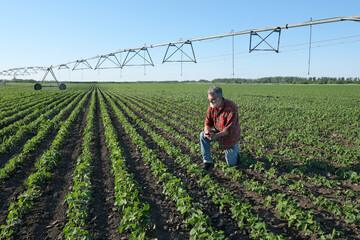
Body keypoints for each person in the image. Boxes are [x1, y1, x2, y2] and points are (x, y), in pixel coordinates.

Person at [200, 86, 241, 170]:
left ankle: (235, 151)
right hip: (219, 132)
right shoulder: (211, 107)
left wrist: (215, 136)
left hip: (230, 137)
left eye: (213, 100)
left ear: (220, 98)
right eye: (209, 100)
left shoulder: (231, 107)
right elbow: (207, 123)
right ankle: (207, 161)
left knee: (231, 164)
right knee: (202, 135)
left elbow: (228, 129)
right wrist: (207, 132)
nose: (210, 102)